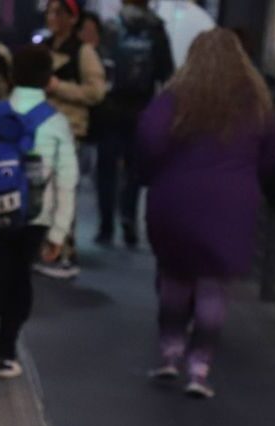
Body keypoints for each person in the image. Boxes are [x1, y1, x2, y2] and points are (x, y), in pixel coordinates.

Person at [136, 28, 275, 399]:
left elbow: (149, 140)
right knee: (213, 286)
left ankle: (170, 353)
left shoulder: (175, 96)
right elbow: (269, 162)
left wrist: (146, 176)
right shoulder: (256, 102)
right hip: (230, 207)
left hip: (174, 200)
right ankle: (199, 370)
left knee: (174, 278)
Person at [0, 44, 78, 381]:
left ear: (10, 76)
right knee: (18, 281)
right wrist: (58, 232)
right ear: (49, 80)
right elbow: (67, 181)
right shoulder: (55, 123)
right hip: (31, 219)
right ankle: (0, 348)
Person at [35, 0, 105, 279]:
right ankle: (45, 250)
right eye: (51, 12)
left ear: (73, 18)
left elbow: (96, 91)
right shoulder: (44, 47)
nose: (55, 17)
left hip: (69, 130)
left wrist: (58, 87)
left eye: (61, 12)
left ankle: (65, 252)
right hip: (40, 129)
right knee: (42, 194)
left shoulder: (83, 52)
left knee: (63, 193)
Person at [97, 0, 174, 248]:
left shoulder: (111, 27)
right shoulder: (156, 29)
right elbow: (166, 72)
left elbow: (101, 66)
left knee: (106, 168)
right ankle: (128, 218)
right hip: (143, 108)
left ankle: (105, 225)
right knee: (135, 168)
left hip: (111, 109)